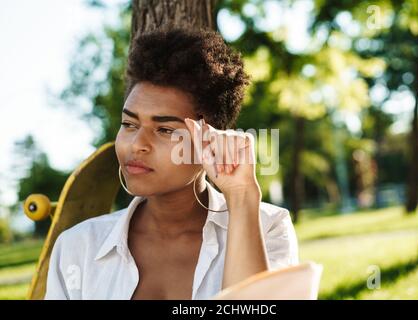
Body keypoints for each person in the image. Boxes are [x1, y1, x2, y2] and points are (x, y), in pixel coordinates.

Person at [44, 28, 299, 300]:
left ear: (210, 139)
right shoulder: (78, 247)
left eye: (164, 129)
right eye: (129, 124)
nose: (136, 144)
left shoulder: (267, 227)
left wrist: (241, 197)